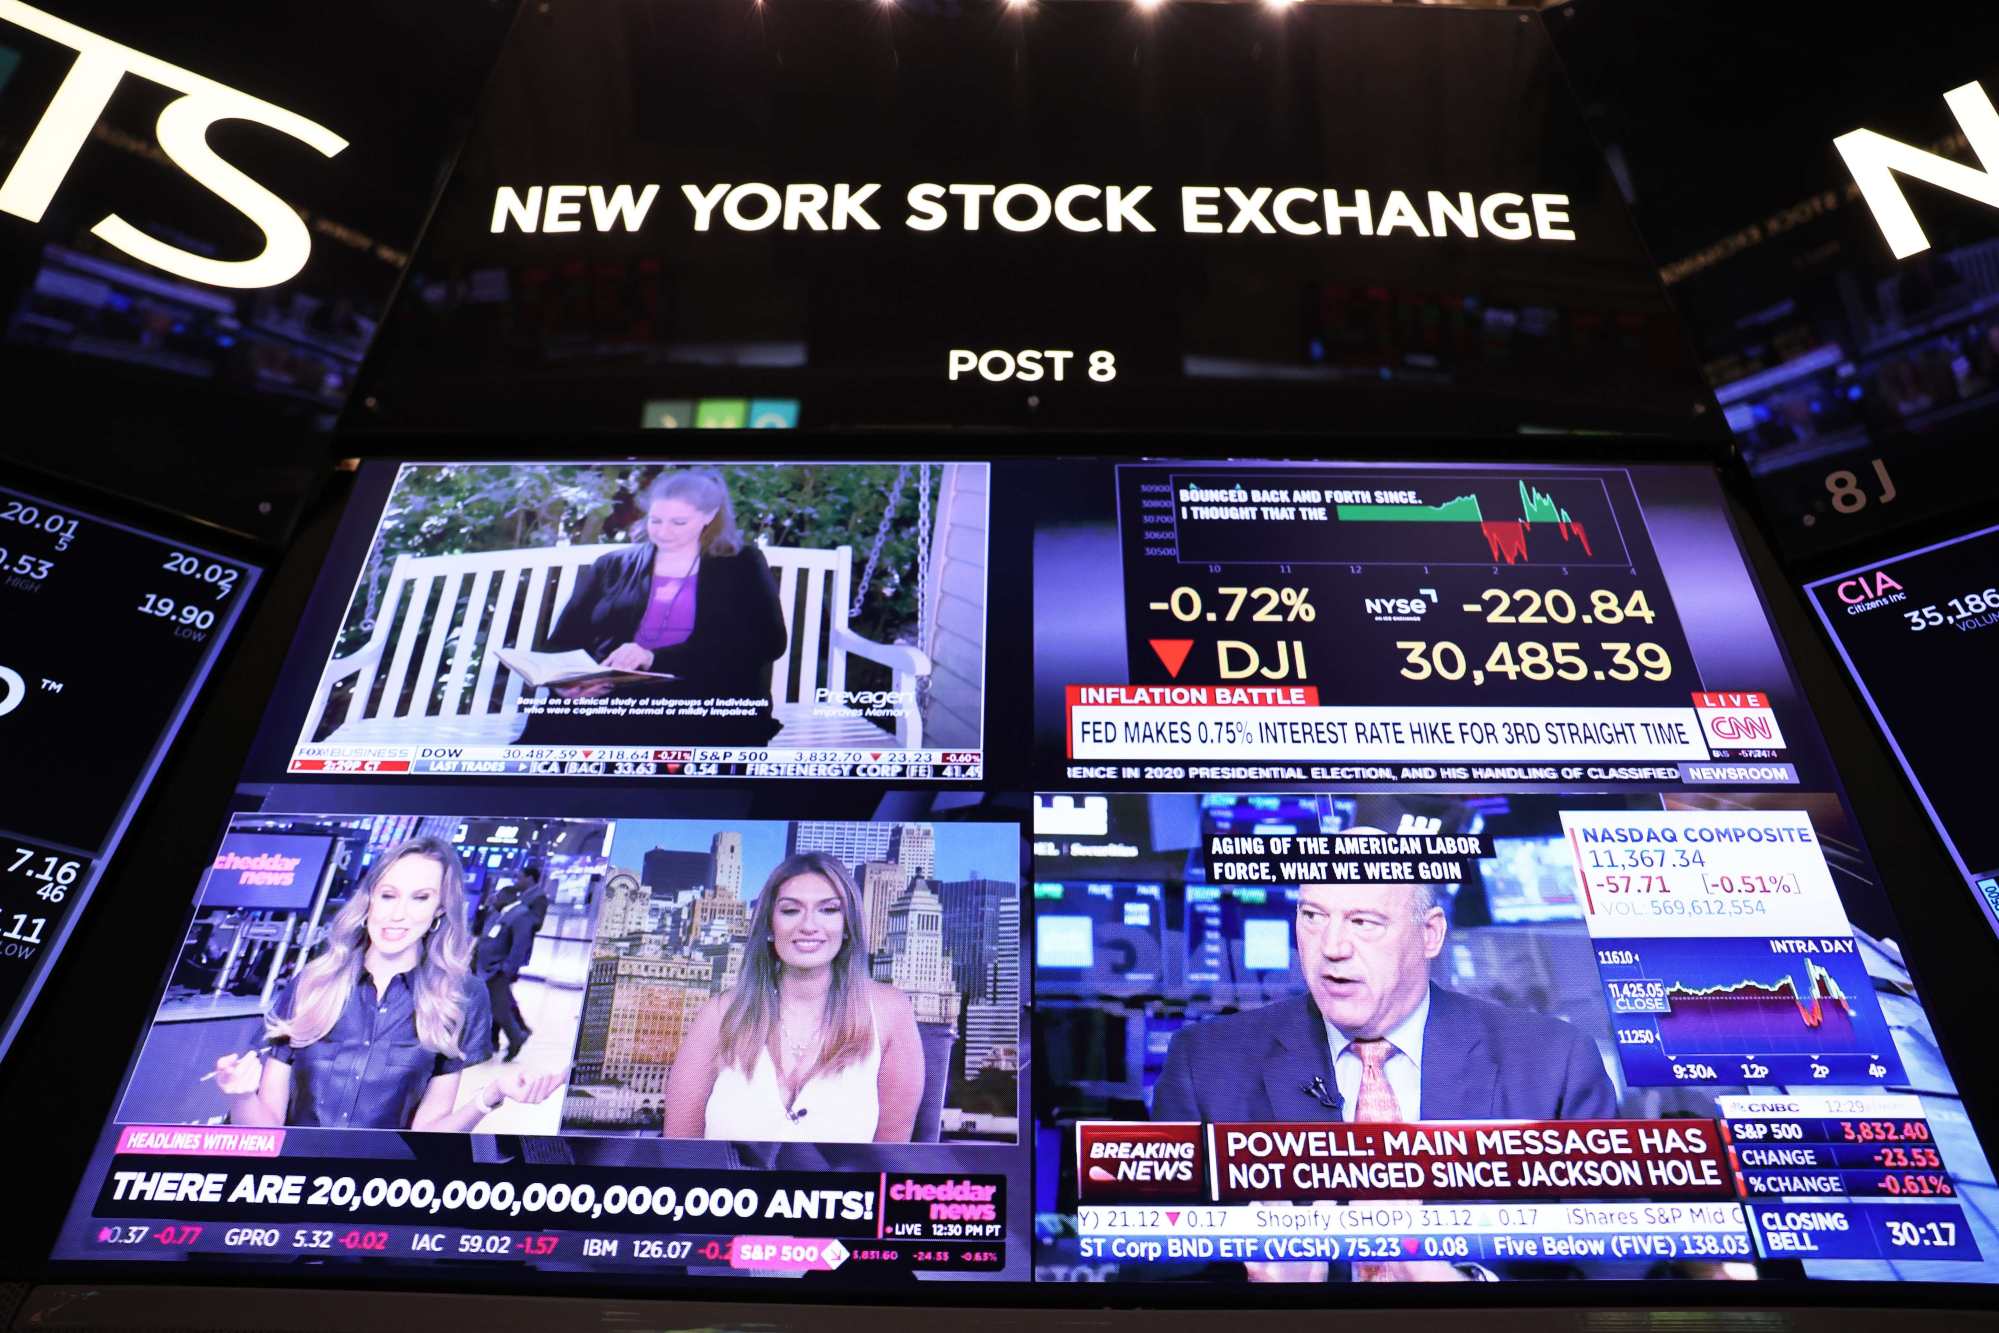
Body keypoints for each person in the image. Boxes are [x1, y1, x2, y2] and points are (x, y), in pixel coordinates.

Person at [1152, 874, 1616, 1282]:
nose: (1331, 946)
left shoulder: (1553, 1062)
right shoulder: (1207, 1064)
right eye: (1312, 916)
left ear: (1430, 934)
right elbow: (1149, 1270)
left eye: (1363, 922)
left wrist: (1472, 1293)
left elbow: (1619, 1266)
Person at [209, 837, 562, 1131]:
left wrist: (491, 1095)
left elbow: (427, 1137)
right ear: (369, 901)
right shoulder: (312, 984)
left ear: (440, 908)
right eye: (388, 895)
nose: (398, 914)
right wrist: (240, 1096)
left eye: (420, 898)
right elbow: (264, 1131)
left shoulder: (460, 997)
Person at [661, 853, 924, 1143]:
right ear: (770, 927)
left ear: (848, 926)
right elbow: (678, 1150)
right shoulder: (721, 1014)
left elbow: (889, 1162)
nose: (808, 926)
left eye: (828, 910)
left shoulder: (890, 1012)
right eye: (790, 911)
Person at [515, 469, 789, 747]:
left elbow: (768, 643)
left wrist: (652, 658)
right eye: (656, 520)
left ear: (709, 516)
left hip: (704, 695)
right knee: (562, 729)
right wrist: (568, 683)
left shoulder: (741, 564)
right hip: (612, 695)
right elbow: (562, 642)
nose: (663, 532)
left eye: (679, 522)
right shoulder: (611, 565)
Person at [474, 883, 534, 1059]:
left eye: (498, 896)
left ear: (509, 897)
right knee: (493, 1007)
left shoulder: (521, 915)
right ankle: (496, 1041)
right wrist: (483, 909)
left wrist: (506, 970)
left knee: (500, 1009)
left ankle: (516, 1038)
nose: (495, 899)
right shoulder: (498, 913)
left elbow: (519, 947)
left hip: (498, 970)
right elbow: (480, 932)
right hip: (485, 968)